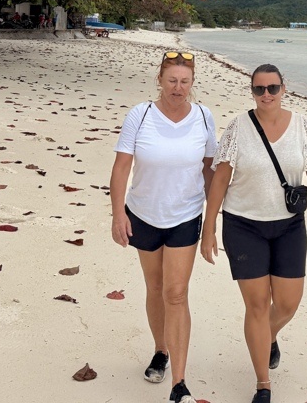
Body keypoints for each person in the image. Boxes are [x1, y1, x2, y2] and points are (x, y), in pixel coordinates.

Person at [201, 64, 307, 403]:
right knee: (256, 306)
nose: (266, 95)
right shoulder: (239, 126)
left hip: (289, 226)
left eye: (272, 88)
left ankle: (268, 336)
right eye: (259, 89)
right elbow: (220, 178)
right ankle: (262, 384)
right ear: (252, 91)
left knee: (286, 304)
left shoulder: (302, 126)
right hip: (242, 225)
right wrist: (208, 229)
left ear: (284, 89)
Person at [110, 50, 217, 403]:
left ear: (192, 83)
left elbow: (209, 168)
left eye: (185, 82)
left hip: (185, 215)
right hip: (142, 213)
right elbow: (122, 168)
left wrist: (217, 214)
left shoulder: (203, 117)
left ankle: (180, 383)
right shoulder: (139, 116)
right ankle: (161, 350)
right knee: (154, 288)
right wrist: (118, 214)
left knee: (176, 293)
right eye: (172, 80)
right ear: (160, 79)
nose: (178, 88)